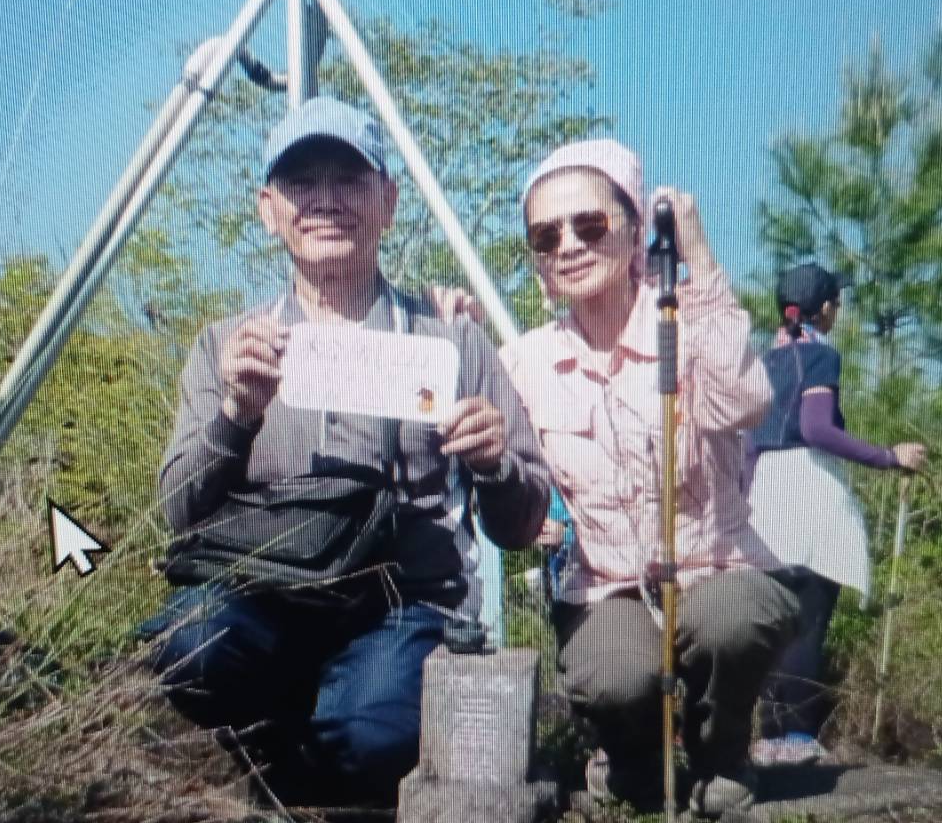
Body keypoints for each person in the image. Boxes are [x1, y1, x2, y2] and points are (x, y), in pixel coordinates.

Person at [147, 97, 550, 808]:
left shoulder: (452, 342)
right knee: (188, 644)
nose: (326, 200)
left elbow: (522, 526)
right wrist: (235, 416)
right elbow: (177, 512)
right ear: (269, 209)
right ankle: (284, 747)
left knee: (367, 736)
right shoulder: (226, 345)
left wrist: (495, 464)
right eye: (302, 183)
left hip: (401, 605)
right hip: (261, 596)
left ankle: (326, 757)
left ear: (388, 203)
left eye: (349, 180)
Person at [495, 138, 799, 818]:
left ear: (634, 232)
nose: (569, 245)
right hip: (607, 586)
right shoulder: (522, 362)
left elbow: (745, 403)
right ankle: (633, 757)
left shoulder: (689, 320)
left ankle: (722, 753)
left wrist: (698, 254)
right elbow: (500, 476)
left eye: (590, 225)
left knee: (735, 620)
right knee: (615, 676)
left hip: (717, 568)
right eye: (547, 236)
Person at [742, 263, 927, 766]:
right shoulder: (819, 355)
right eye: (837, 304)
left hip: (762, 494)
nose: (838, 312)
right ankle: (797, 736)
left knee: (773, 621)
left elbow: (747, 443)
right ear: (824, 308)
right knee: (808, 618)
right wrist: (887, 457)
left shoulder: (761, 361)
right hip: (807, 490)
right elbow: (817, 427)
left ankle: (770, 737)